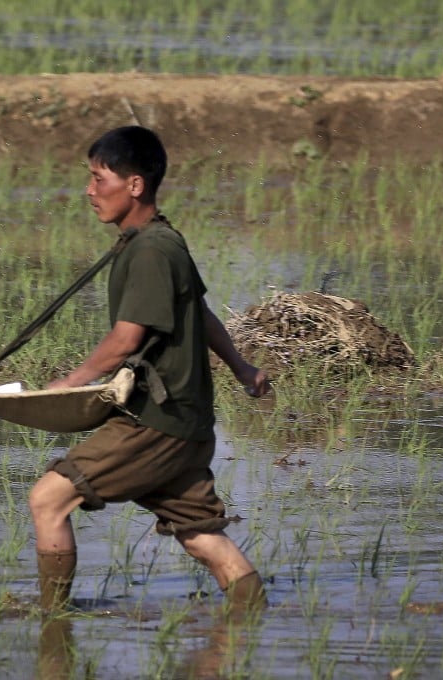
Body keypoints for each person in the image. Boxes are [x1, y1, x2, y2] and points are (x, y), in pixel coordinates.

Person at [28, 125, 270, 615]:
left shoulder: (152, 250)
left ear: (134, 185)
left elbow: (126, 339)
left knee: (48, 499)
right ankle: (251, 627)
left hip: (155, 424)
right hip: (184, 422)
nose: (89, 190)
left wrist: (69, 383)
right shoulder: (157, 240)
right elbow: (196, 313)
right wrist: (243, 368)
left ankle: (52, 624)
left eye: (99, 179)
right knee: (202, 537)